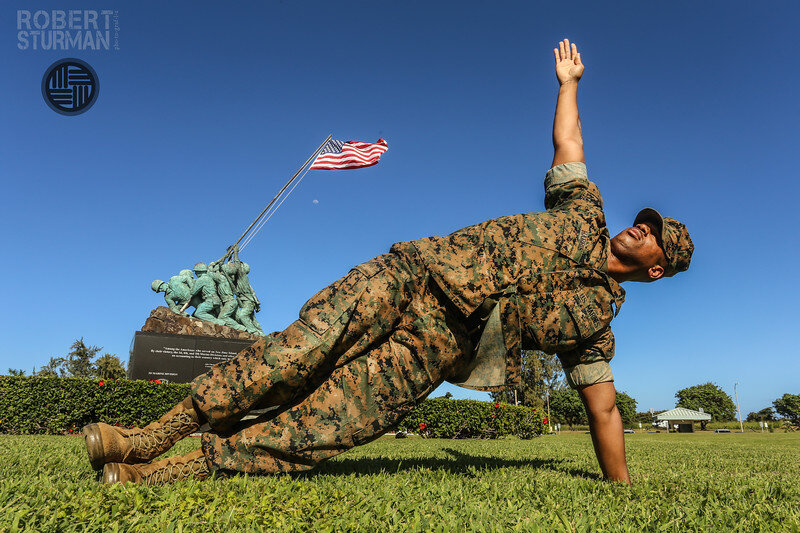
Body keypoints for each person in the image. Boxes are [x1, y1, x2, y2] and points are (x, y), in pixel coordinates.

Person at [83, 39, 692, 486]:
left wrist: (621, 489)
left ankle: (166, 473)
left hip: (436, 349)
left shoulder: (595, 327)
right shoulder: (585, 209)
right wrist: (568, 84)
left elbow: (604, 408)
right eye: (648, 221)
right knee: (290, 356)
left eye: (655, 236)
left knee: (321, 426)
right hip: (410, 278)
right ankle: (146, 438)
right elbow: (570, 144)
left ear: (657, 267)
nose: (644, 227)